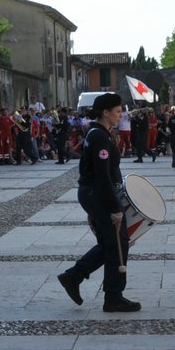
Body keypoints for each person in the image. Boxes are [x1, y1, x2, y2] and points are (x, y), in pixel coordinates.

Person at [57, 92, 140, 312]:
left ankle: (73, 276)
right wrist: (115, 208)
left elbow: (111, 171)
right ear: (105, 112)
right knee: (117, 243)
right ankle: (113, 297)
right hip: (97, 193)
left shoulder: (102, 133)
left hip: (98, 192)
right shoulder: (99, 136)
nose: (121, 115)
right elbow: (102, 175)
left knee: (112, 243)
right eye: (118, 111)